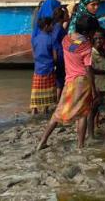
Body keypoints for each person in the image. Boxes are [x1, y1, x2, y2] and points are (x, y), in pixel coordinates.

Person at [36, 15, 99, 151]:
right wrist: (93, 89)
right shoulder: (86, 46)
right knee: (83, 113)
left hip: (69, 81)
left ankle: (42, 141)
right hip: (82, 81)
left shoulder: (66, 39)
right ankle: (80, 145)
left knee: (58, 112)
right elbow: (88, 68)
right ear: (89, 32)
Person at [30, 0, 63, 115]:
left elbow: (34, 52)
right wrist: (55, 63)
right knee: (48, 89)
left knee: (36, 89)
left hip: (38, 67)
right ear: (48, 25)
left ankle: (34, 108)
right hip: (49, 67)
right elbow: (54, 55)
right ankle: (46, 108)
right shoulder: (51, 37)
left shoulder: (35, 37)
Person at [89, 34, 105, 139]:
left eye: (101, 38)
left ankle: (96, 124)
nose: (99, 40)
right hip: (95, 84)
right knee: (93, 109)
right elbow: (90, 70)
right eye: (96, 39)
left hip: (103, 84)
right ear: (93, 41)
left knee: (98, 107)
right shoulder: (91, 53)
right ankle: (90, 134)